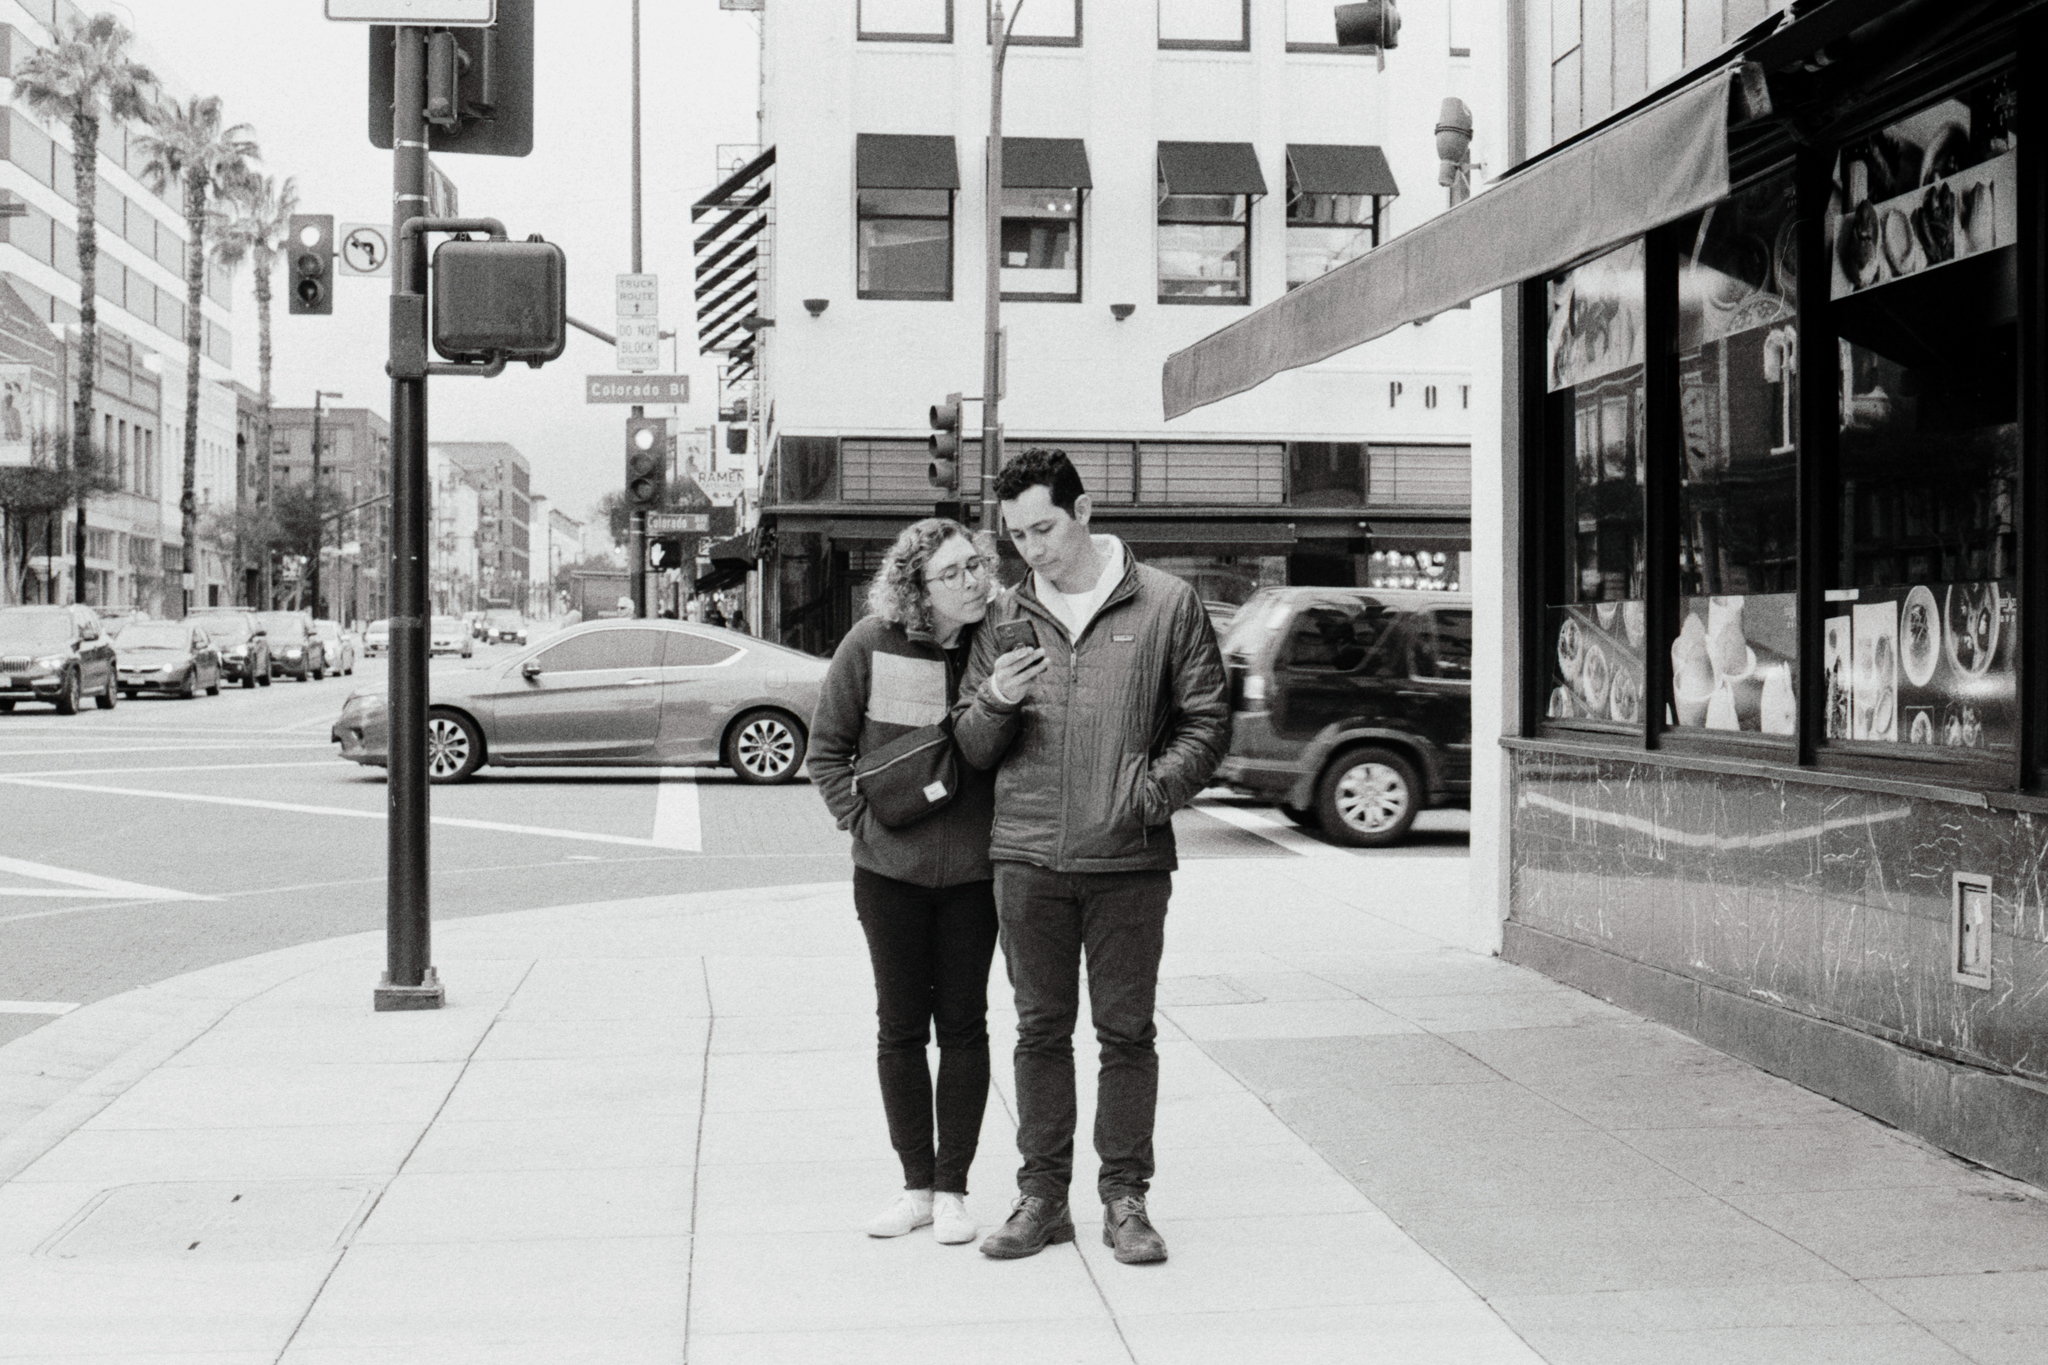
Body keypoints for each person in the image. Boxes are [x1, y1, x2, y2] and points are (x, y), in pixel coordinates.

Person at [954, 448, 1229, 1265]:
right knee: (1039, 1030)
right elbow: (971, 746)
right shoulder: (1005, 617)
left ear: (1083, 510)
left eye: (1043, 528)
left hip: (1128, 858)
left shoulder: (1167, 603)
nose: (1031, 548)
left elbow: (1207, 720)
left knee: (1126, 1033)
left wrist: (1149, 793)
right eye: (1016, 535)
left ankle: (1125, 1199)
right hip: (1026, 855)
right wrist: (997, 697)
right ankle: (1042, 1196)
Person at [808, 518, 1003, 1247]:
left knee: (964, 1026)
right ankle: (915, 1186)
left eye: (976, 564)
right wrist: (865, 825)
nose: (972, 580)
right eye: (952, 573)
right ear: (917, 587)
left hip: (974, 878)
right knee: (900, 1028)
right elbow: (826, 751)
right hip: (889, 877)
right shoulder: (870, 644)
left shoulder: (996, 644)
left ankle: (953, 1189)